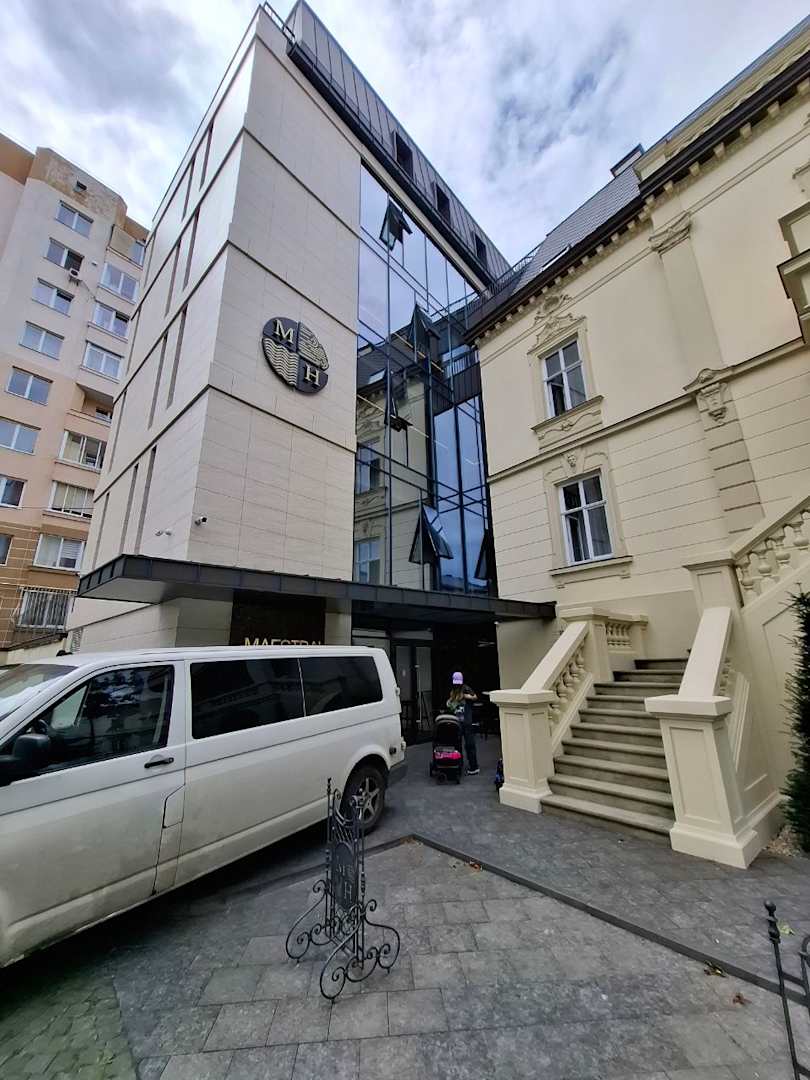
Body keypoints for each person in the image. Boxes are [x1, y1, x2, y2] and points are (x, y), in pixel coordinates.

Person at [446, 671, 479, 775]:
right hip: (457, 722)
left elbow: (475, 697)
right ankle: (458, 763)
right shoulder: (453, 691)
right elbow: (450, 705)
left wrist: (466, 696)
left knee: (469, 745)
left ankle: (474, 766)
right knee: (457, 745)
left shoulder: (466, 688)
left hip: (467, 722)